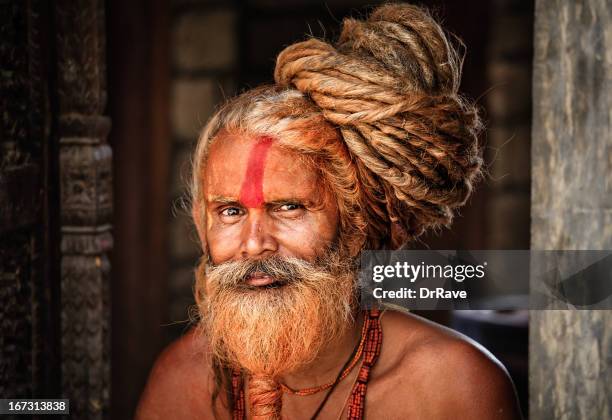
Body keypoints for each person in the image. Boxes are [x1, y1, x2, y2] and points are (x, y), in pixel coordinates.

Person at [136, 4, 522, 419]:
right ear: (201, 221)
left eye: (289, 208)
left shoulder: (451, 385)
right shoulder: (182, 381)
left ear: (355, 224)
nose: (254, 244)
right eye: (230, 212)